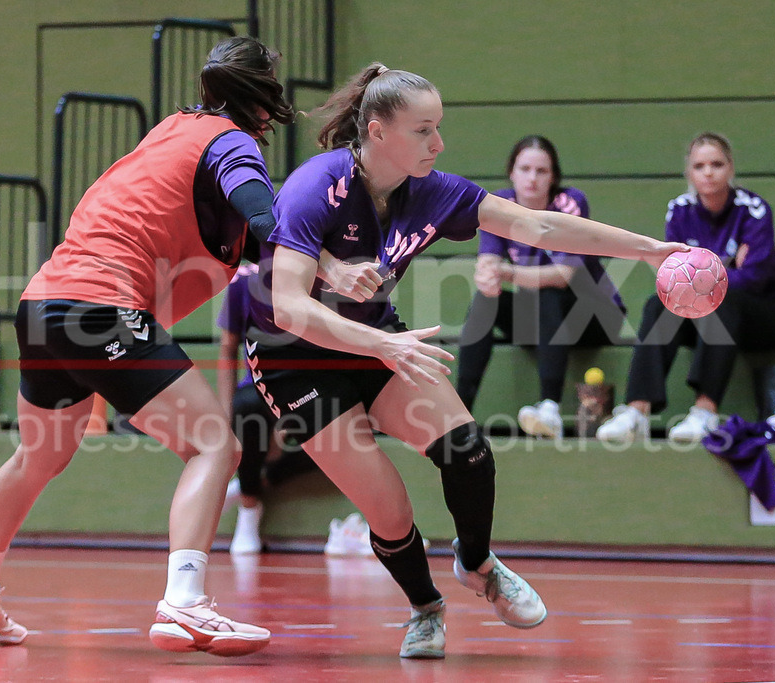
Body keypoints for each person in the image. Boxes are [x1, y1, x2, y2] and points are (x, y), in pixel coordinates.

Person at [243, 63, 686, 659]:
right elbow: (289, 306)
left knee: (467, 450)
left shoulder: (433, 192)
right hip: (293, 360)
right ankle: (425, 609)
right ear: (378, 132)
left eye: (439, 128)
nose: (438, 143)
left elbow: (538, 225)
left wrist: (649, 250)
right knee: (388, 504)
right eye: (424, 130)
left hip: (375, 339)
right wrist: (380, 344)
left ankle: (476, 564)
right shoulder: (314, 187)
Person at [0, 36, 299, 657]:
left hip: (44, 308)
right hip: (103, 309)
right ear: (262, 100)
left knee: (38, 457)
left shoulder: (172, 133)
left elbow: (237, 236)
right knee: (215, 444)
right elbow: (264, 220)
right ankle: (185, 602)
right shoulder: (233, 145)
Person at [596, 132, 775, 444]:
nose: (708, 172)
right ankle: (637, 410)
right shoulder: (679, 210)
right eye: (700, 165)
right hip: (711, 313)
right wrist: (726, 269)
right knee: (659, 304)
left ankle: (705, 411)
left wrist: (705, 279)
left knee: (724, 297)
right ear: (689, 172)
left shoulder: (754, 209)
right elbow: (673, 274)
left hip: (771, 313)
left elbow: (756, 276)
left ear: (730, 168)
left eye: (717, 164)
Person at [457, 135, 627, 438]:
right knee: (485, 301)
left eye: (541, 171)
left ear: (553, 177)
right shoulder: (499, 205)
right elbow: (487, 263)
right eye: (524, 169)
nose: (532, 178)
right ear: (512, 172)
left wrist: (504, 272)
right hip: (542, 321)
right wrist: (487, 276)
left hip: (596, 316)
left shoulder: (569, 202)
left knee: (548, 289)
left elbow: (563, 275)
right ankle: (458, 415)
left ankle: (550, 408)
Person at [216, 264, 318, 554]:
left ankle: (254, 483)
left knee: (346, 431)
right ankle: (249, 507)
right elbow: (228, 348)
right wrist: (226, 417)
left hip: (311, 387)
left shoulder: (318, 276)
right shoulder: (244, 280)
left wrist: (286, 422)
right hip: (259, 387)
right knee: (245, 410)